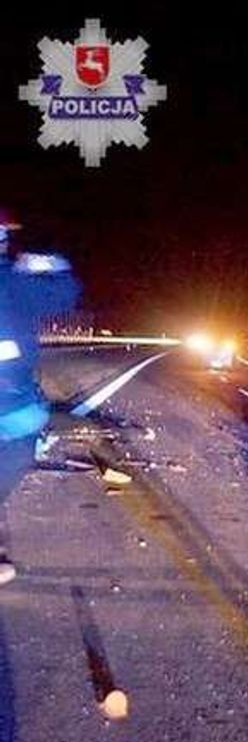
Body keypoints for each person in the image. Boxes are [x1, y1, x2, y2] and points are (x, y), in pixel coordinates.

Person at [0, 234, 79, 586]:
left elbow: (66, 293)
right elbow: (66, 292)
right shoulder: (17, 281)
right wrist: (48, 263)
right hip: (15, 409)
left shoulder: (15, 281)